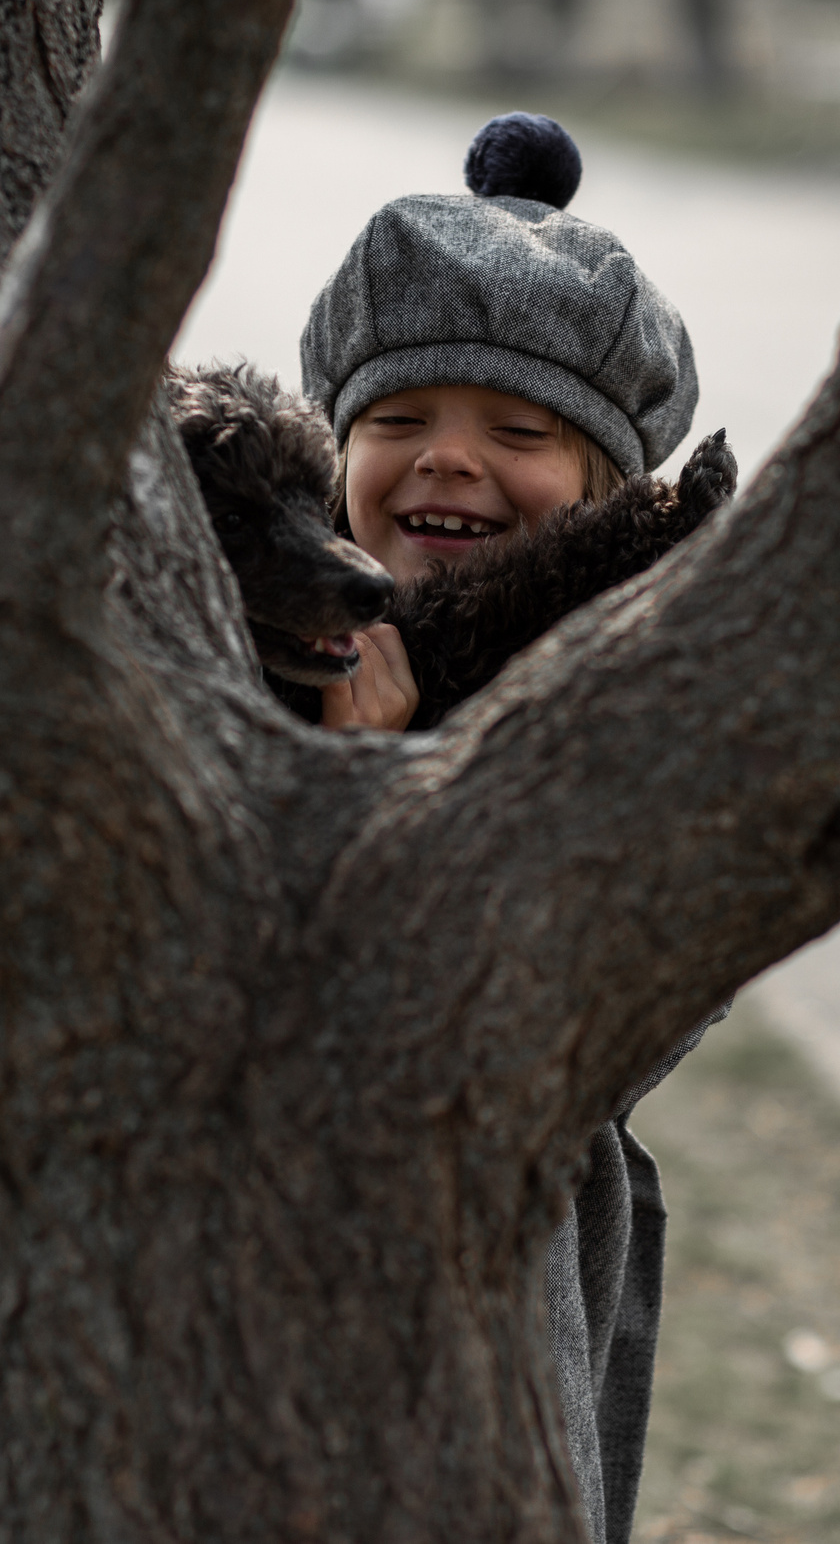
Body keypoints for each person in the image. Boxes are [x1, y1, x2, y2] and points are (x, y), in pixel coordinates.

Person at [296, 113, 712, 1544]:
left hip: (486, 1295)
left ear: (608, 492)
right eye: (398, 423)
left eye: (519, 434)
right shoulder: (256, 639)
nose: (447, 464)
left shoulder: (635, 712)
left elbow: (565, 1037)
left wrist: (382, 778)